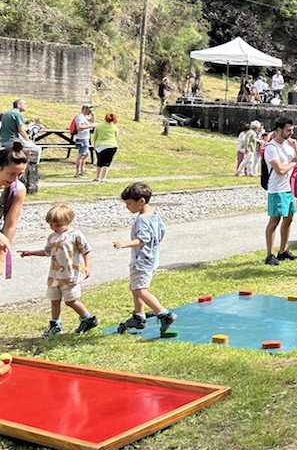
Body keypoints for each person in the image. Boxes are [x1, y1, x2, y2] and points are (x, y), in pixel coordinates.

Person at [17, 205, 98, 336]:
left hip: (70, 275)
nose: (54, 228)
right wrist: (31, 253)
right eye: (51, 225)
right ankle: (55, 324)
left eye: (58, 225)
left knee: (70, 300)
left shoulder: (75, 235)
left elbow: (86, 251)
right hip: (55, 276)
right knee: (54, 300)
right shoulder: (52, 237)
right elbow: (47, 252)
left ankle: (88, 319)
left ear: (68, 221)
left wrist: (87, 266)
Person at [111, 182, 176, 335]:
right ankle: (139, 316)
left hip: (142, 260)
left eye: (129, 203)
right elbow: (161, 232)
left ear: (141, 201)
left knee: (140, 289)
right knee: (136, 286)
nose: (127, 207)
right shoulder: (155, 216)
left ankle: (163, 314)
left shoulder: (142, 219)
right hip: (151, 258)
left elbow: (143, 239)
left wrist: (125, 244)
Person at [263, 117, 297, 266]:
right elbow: (279, 170)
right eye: (288, 130)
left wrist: (296, 148)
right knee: (275, 220)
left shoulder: (288, 145)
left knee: (289, 218)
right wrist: (293, 163)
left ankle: (283, 250)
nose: (291, 133)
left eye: (292, 130)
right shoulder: (271, 148)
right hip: (277, 189)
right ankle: (270, 254)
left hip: (289, 188)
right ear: (279, 130)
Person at [0, 143, 28, 272]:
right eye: (11, 174)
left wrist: (1, 259)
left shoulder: (18, 189)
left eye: (20, 174)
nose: (15, 179)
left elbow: (10, 226)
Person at [93, 112, 120, 183]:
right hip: (112, 145)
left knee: (99, 162)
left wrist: (94, 145)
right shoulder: (114, 126)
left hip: (100, 146)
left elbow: (95, 136)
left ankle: (97, 177)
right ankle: (103, 178)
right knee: (106, 163)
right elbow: (116, 135)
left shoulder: (99, 126)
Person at [72, 105, 96, 178]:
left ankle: (82, 169)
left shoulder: (84, 117)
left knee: (86, 154)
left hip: (85, 138)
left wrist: (93, 115)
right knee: (81, 155)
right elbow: (79, 127)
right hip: (82, 139)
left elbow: (91, 121)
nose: (90, 112)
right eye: (89, 110)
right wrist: (90, 126)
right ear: (85, 109)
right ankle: (78, 173)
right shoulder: (80, 117)